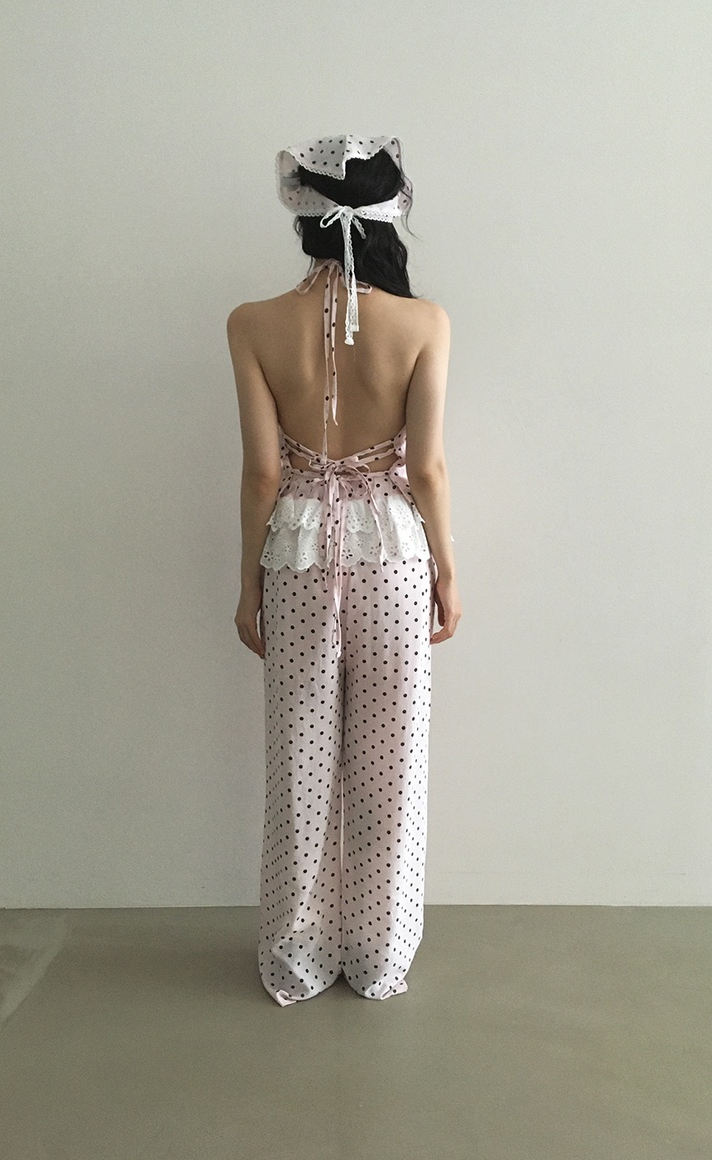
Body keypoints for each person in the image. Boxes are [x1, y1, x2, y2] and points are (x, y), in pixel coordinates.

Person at [227, 134, 460, 1006]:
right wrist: (448, 571)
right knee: (392, 764)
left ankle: (298, 955)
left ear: (306, 219)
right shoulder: (425, 323)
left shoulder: (252, 323)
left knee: (299, 759)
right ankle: (378, 956)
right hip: (393, 554)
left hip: (296, 551)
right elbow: (427, 468)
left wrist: (247, 584)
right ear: (389, 219)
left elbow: (262, 473)